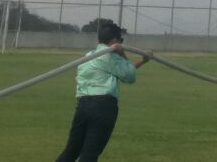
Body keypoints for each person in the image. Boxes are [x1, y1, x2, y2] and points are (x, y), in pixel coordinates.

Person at [55, 21, 150, 162]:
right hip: (103, 107)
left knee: (71, 151)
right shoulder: (110, 55)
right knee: (89, 155)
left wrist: (142, 61)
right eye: (121, 41)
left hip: (83, 106)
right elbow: (129, 76)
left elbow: (121, 70)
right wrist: (121, 52)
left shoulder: (89, 56)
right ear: (114, 41)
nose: (122, 44)